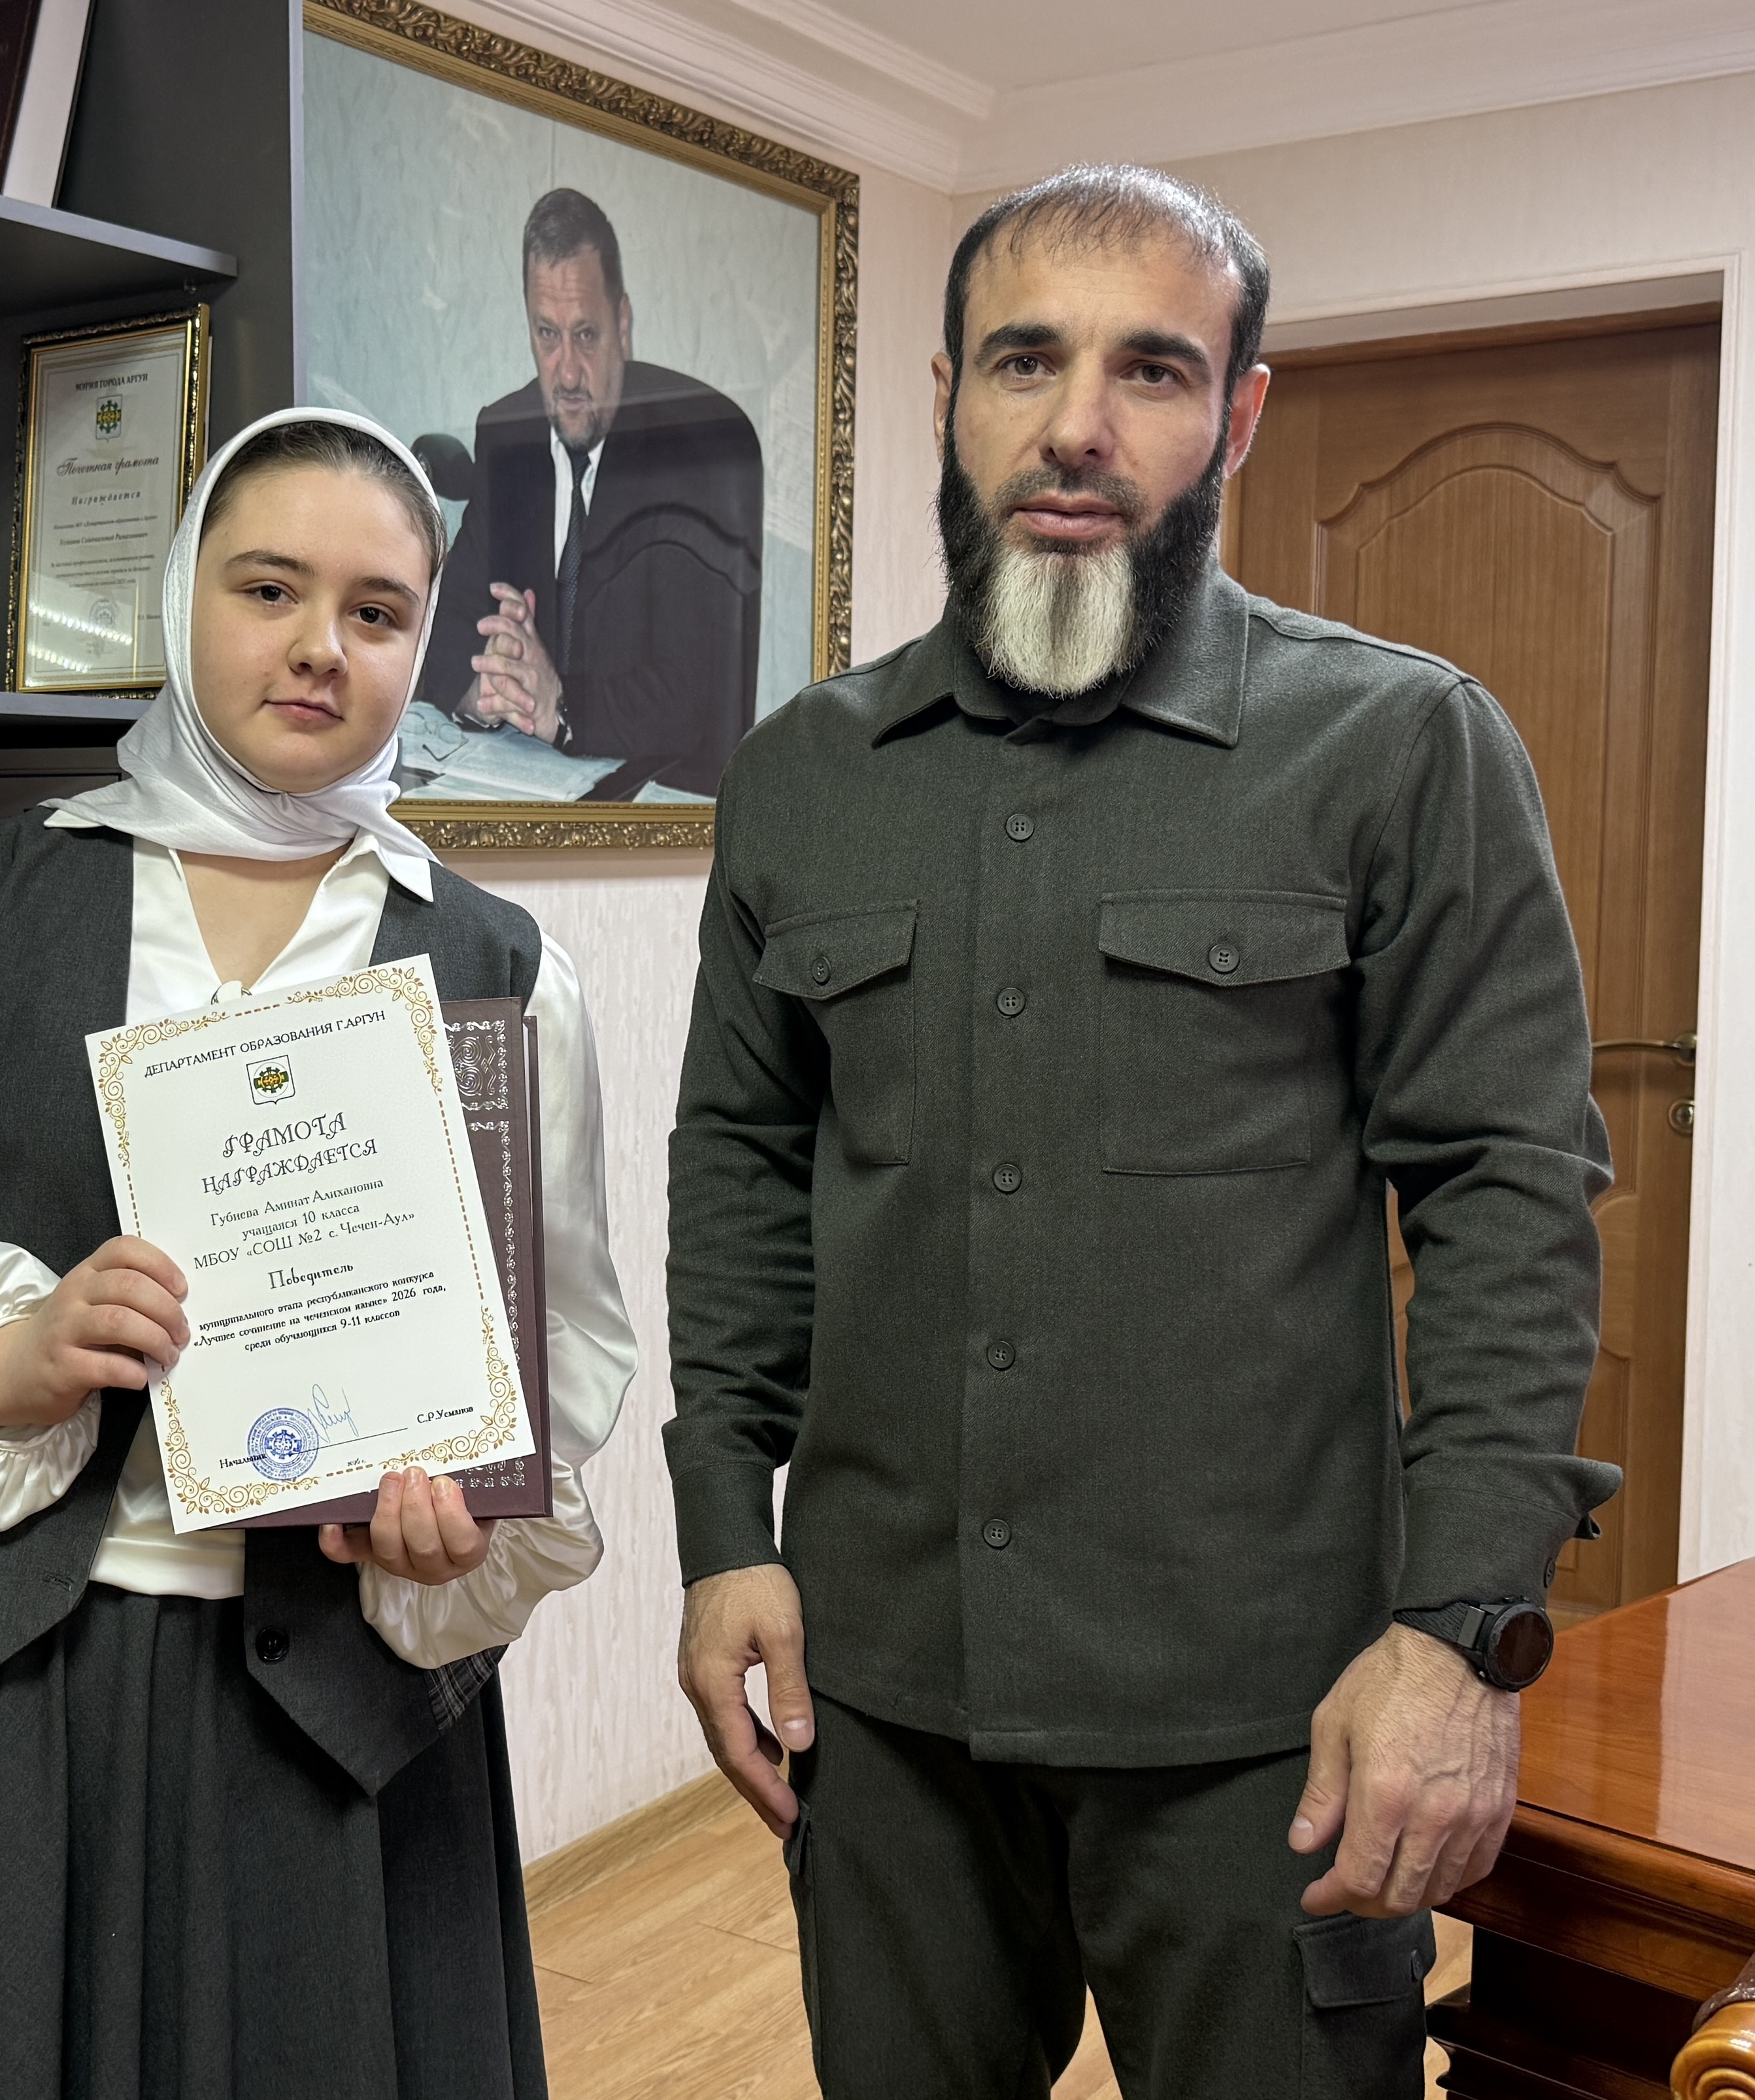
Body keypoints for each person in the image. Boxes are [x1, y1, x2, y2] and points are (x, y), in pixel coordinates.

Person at [665, 163, 1618, 2097]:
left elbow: (1507, 1196)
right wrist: (718, 1532)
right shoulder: (801, 776)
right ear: (949, 394)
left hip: (1268, 1723)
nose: (1078, 426)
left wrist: (1457, 1641)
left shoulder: (1399, 747)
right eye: (1026, 361)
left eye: (1152, 371)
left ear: (1237, 415)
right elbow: (742, 1157)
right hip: (887, 1703)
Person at [0, 405, 635, 2100]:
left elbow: (558, 1343)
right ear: (182, 592)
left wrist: (460, 1514)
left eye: (375, 610)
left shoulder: (502, 970)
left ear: (423, 639)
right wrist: (5, 1355)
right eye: (268, 588)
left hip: (332, 1738)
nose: (319, 645)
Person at [428, 187, 762, 798]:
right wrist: (485, 685)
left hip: (653, 803)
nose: (567, 372)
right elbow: (442, 623)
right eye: (547, 334)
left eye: (586, 335)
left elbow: (689, 693)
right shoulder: (508, 437)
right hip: (529, 789)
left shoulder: (690, 458)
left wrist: (560, 704)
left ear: (623, 326)